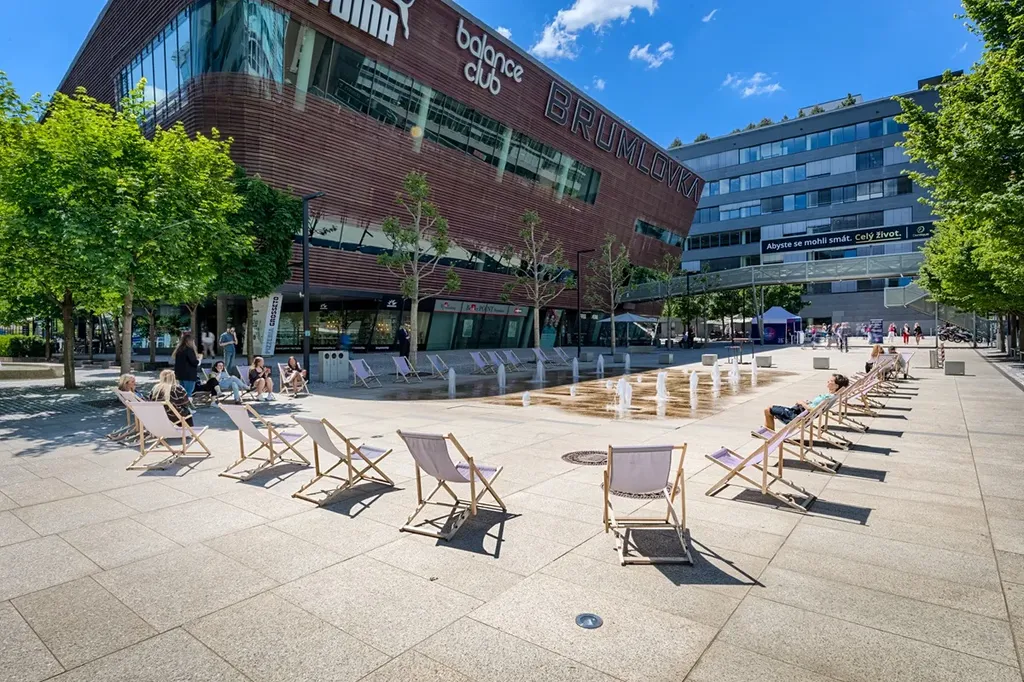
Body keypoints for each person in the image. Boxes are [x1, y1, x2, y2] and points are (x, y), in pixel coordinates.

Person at [764, 373, 850, 430]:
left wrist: (802, 403)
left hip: (799, 417)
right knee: (772, 410)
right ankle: (768, 430)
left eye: (831, 381)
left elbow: (812, 410)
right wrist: (807, 403)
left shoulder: (828, 397)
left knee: (768, 409)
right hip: (801, 414)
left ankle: (770, 435)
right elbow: (815, 408)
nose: (828, 381)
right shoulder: (831, 396)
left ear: (836, 386)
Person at [171, 332, 202, 397]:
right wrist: (199, 359)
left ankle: (183, 403)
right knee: (188, 392)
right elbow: (194, 362)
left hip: (180, 375)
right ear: (190, 341)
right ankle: (187, 403)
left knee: (182, 393)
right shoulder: (189, 350)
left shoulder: (179, 350)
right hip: (189, 375)